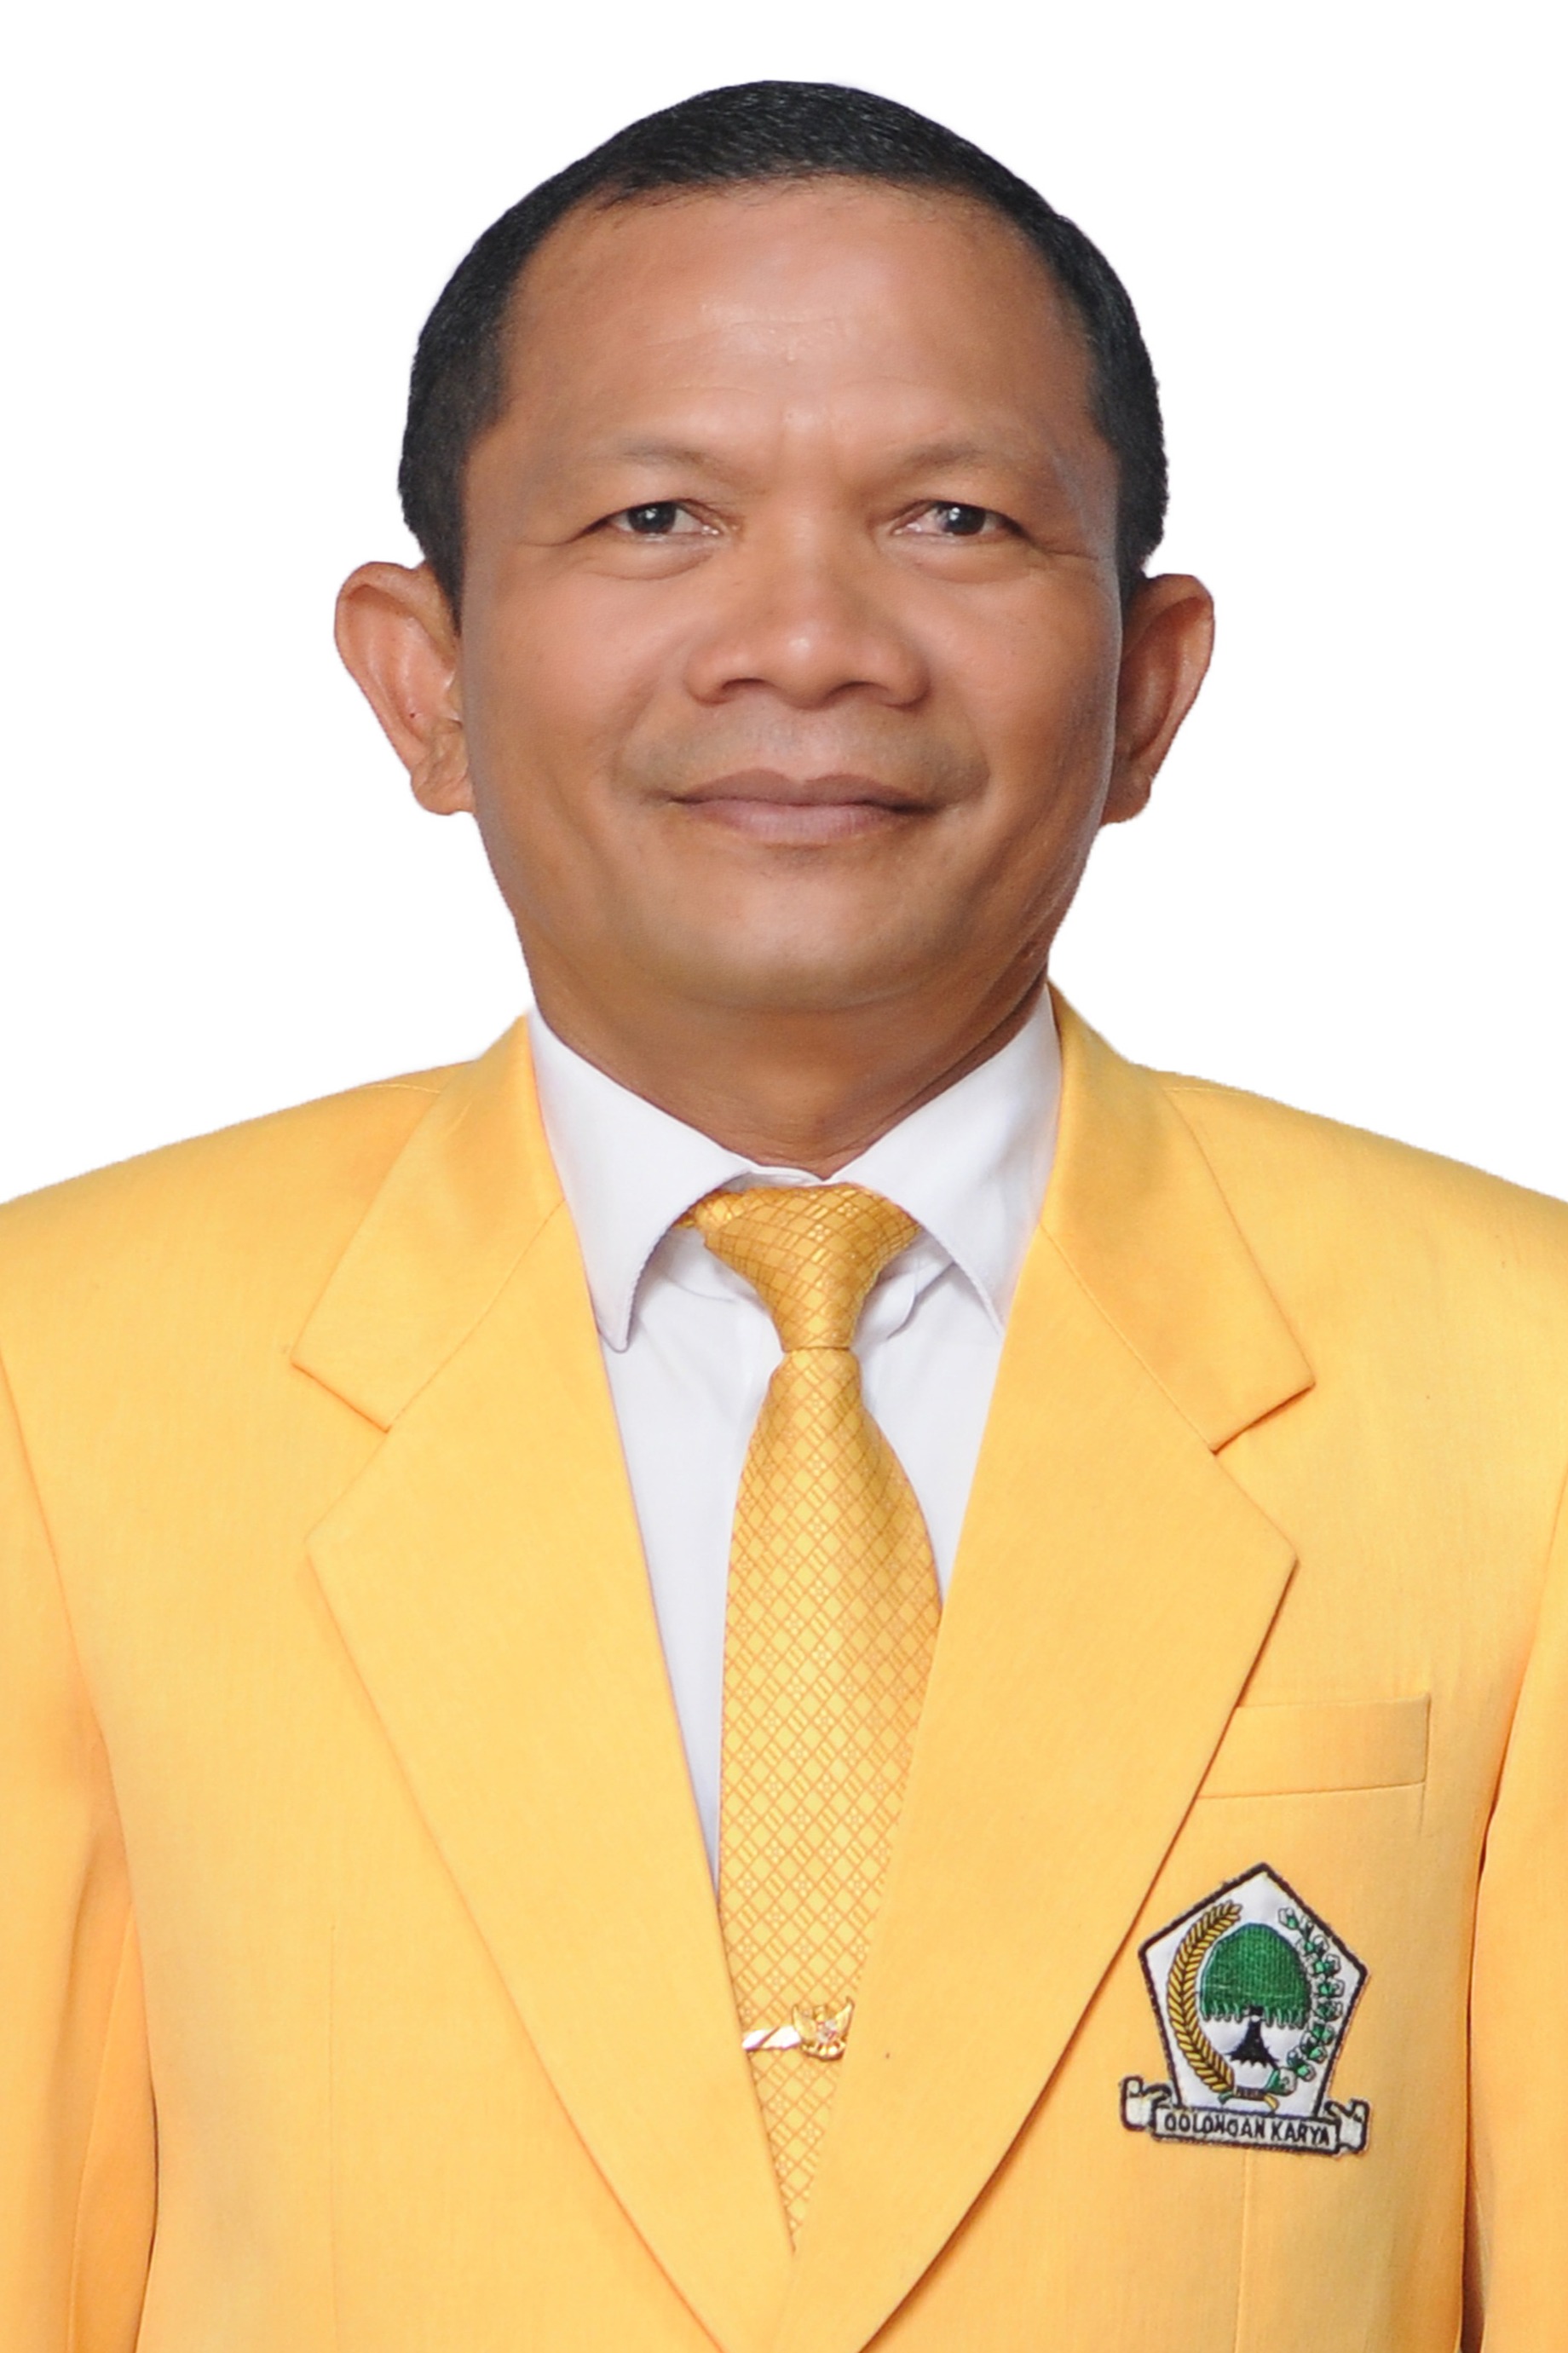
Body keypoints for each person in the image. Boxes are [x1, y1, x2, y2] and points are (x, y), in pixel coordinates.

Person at [1, 78, 1563, 2353]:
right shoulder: (56, 1379)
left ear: (1148, 687)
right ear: (424, 679)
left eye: (954, 517)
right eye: (657, 516)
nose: (809, 642)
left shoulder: (1521, 1387)